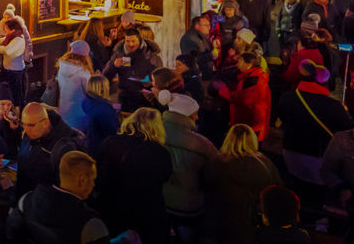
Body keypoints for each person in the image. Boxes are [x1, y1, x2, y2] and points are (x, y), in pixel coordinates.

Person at [7, 150, 139, 244]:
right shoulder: (90, 223)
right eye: (93, 179)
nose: (93, 184)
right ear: (82, 180)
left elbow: (11, 234)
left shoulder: (27, 200)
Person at [275, 61, 351, 210]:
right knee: (316, 193)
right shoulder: (334, 106)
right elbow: (346, 129)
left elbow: (283, 117)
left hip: (290, 149)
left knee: (294, 184)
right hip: (317, 156)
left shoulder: (288, 97)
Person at [95, 108, 173, 244]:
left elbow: (100, 176)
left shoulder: (110, 143)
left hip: (112, 212)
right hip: (146, 215)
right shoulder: (160, 152)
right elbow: (165, 177)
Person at [209, 124, 282, 244]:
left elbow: (207, 185)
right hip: (252, 223)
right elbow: (277, 190)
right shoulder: (264, 164)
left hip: (221, 220)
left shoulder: (217, 162)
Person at [160, 93, 216, 243]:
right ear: (186, 116)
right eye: (195, 114)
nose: (197, 118)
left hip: (161, 201)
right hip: (188, 206)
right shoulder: (202, 145)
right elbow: (212, 178)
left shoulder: (154, 133)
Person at [14, 102, 86, 198]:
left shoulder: (64, 146)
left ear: (46, 123)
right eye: (24, 124)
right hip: (26, 201)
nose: (26, 130)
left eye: (31, 125)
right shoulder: (29, 135)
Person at [102, 28, 162, 112]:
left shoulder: (151, 56)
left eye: (133, 41)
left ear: (140, 40)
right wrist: (114, 66)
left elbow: (160, 80)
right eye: (127, 41)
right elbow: (105, 76)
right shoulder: (119, 55)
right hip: (124, 98)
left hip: (145, 99)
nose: (130, 44)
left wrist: (150, 84)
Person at [216, 51, 272, 140]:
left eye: (240, 62)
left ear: (249, 65)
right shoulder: (251, 77)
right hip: (248, 124)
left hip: (250, 126)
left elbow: (241, 99)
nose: (237, 65)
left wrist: (222, 89)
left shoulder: (254, 80)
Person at [73, 75, 121, 153]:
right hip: (101, 149)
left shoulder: (86, 101)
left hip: (89, 144)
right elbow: (113, 132)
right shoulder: (104, 109)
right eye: (107, 86)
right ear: (102, 88)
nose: (109, 88)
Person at [55, 42, 95, 127]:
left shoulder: (61, 68)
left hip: (63, 114)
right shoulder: (84, 73)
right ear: (86, 56)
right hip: (79, 117)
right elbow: (91, 94)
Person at [0, 17, 29, 105]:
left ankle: (17, 112)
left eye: (6, 29)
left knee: (15, 94)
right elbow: (1, 40)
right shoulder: (10, 37)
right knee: (1, 90)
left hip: (15, 71)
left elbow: (7, 51)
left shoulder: (19, 40)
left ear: (13, 30)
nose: (5, 31)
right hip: (7, 69)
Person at [179, 15, 216, 80]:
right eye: (206, 25)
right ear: (197, 26)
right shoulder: (190, 38)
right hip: (197, 77)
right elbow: (192, 58)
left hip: (204, 75)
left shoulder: (200, 36)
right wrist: (211, 55)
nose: (209, 28)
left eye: (209, 25)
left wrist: (213, 46)